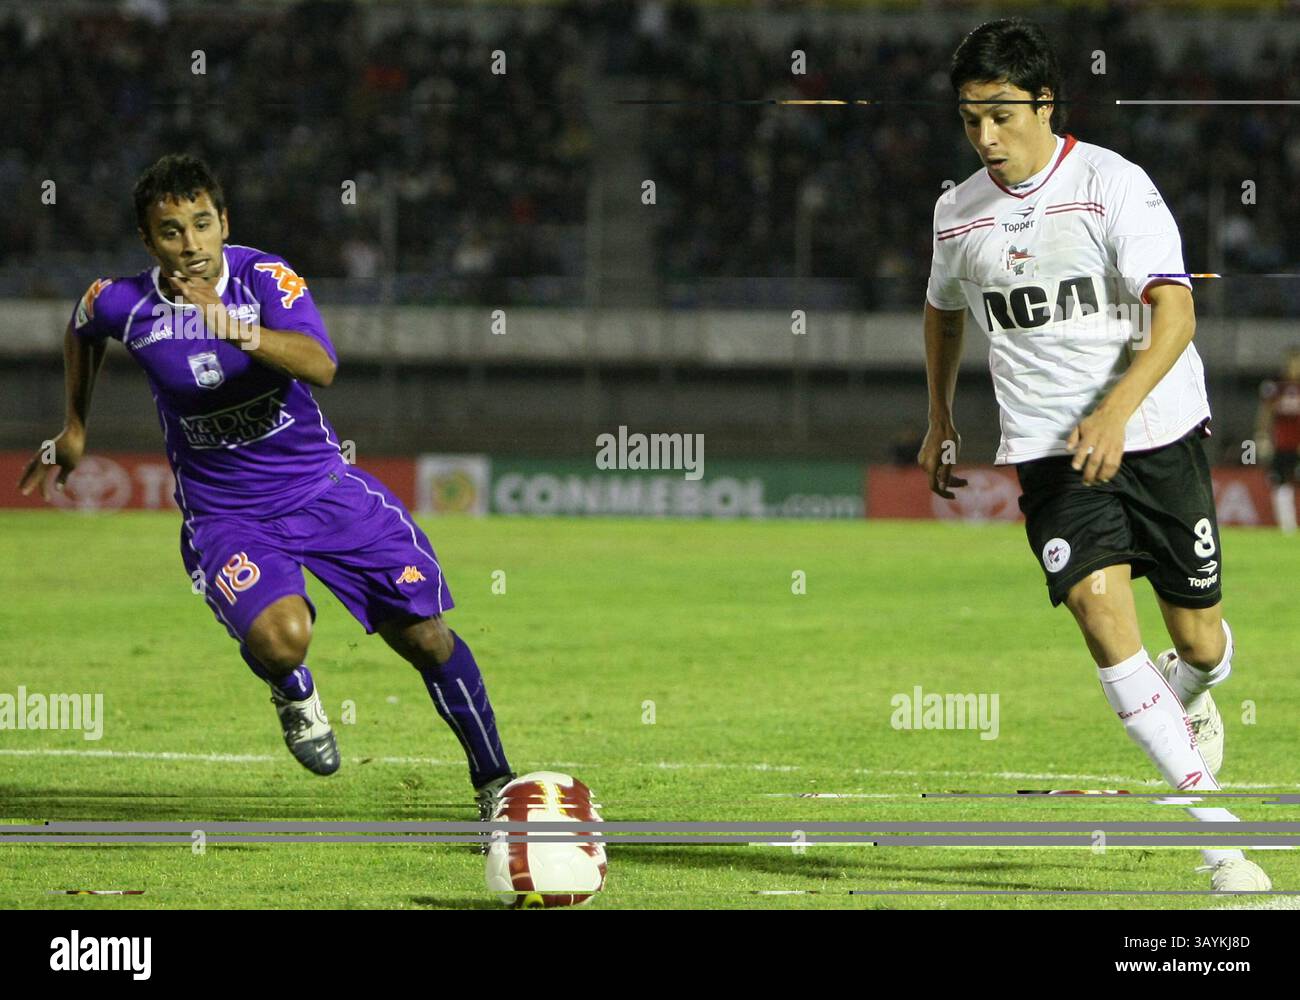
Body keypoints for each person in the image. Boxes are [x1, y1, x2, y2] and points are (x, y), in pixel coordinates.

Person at [18, 154, 515, 824]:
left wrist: (234, 327)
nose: (190, 243)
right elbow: (83, 328)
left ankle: (496, 788)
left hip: (321, 489)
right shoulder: (125, 302)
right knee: (282, 639)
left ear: (224, 222)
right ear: (149, 240)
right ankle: (293, 688)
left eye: (202, 224)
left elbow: (321, 364)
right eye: (171, 231)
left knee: (425, 637)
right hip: (227, 516)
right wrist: (76, 426)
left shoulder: (264, 278)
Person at [918, 19, 1270, 891]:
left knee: (1204, 640)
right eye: (970, 121)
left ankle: (1189, 686)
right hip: (1049, 449)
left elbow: (1175, 311)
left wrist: (1116, 410)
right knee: (1096, 608)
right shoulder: (957, 214)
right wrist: (937, 417)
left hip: (1156, 435)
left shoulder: (1114, 184)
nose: (986, 138)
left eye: (1000, 115)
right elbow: (943, 309)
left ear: (1044, 102)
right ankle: (1219, 839)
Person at [1254, 348, 1300, 534]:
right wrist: (1262, 435)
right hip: (1283, 444)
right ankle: (1287, 527)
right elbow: (1266, 413)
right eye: (1293, 362)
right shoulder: (1276, 386)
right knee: (1281, 483)